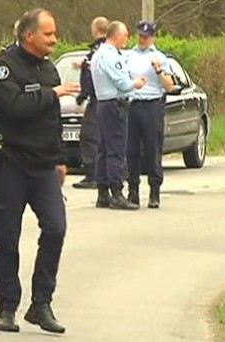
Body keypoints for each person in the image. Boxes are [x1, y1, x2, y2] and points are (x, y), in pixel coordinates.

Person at [0, 8, 80, 334]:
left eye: (54, 34)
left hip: (43, 167)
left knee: (56, 229)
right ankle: (7, 307)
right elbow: (14, 109)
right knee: (8, 238)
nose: (54, 39)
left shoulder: (50, 69)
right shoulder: (4, 69)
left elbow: (52, 121)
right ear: (29, 36)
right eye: (48, 34)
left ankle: (41, 304)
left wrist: (60, 159)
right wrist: (49, 93)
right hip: (10, 165)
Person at [91, 21, 147, 210]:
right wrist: (136, 83)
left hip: (104, 104)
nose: (127, 38)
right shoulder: (109, 55)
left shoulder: (100, 53)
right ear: (116, 35)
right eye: (125, 35)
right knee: (115, 149)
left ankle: (102, 192)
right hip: (114, 105)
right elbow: (122, 83)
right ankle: (116, 192)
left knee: (104, 149)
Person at [126, 21, 177, 209]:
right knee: (131, 150)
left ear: (153, 37)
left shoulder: (160, 57)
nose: (142, 40)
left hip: (152, 105)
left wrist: (158, 69)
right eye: (140, 36)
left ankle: (154, 190)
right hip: (133, 104)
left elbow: (169, 85)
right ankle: (133, 190)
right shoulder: (128, 56)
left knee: (152, 148)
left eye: (146, 37)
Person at [72, 16, 109, 189]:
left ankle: (92, 174)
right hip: (108, 100)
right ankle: (104, 173)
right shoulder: (110, 48)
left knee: (89, 137)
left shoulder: (97, 50)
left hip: (97, 100)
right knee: (104, 137)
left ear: (95, 30)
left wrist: (82, 96)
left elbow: (90, 77)